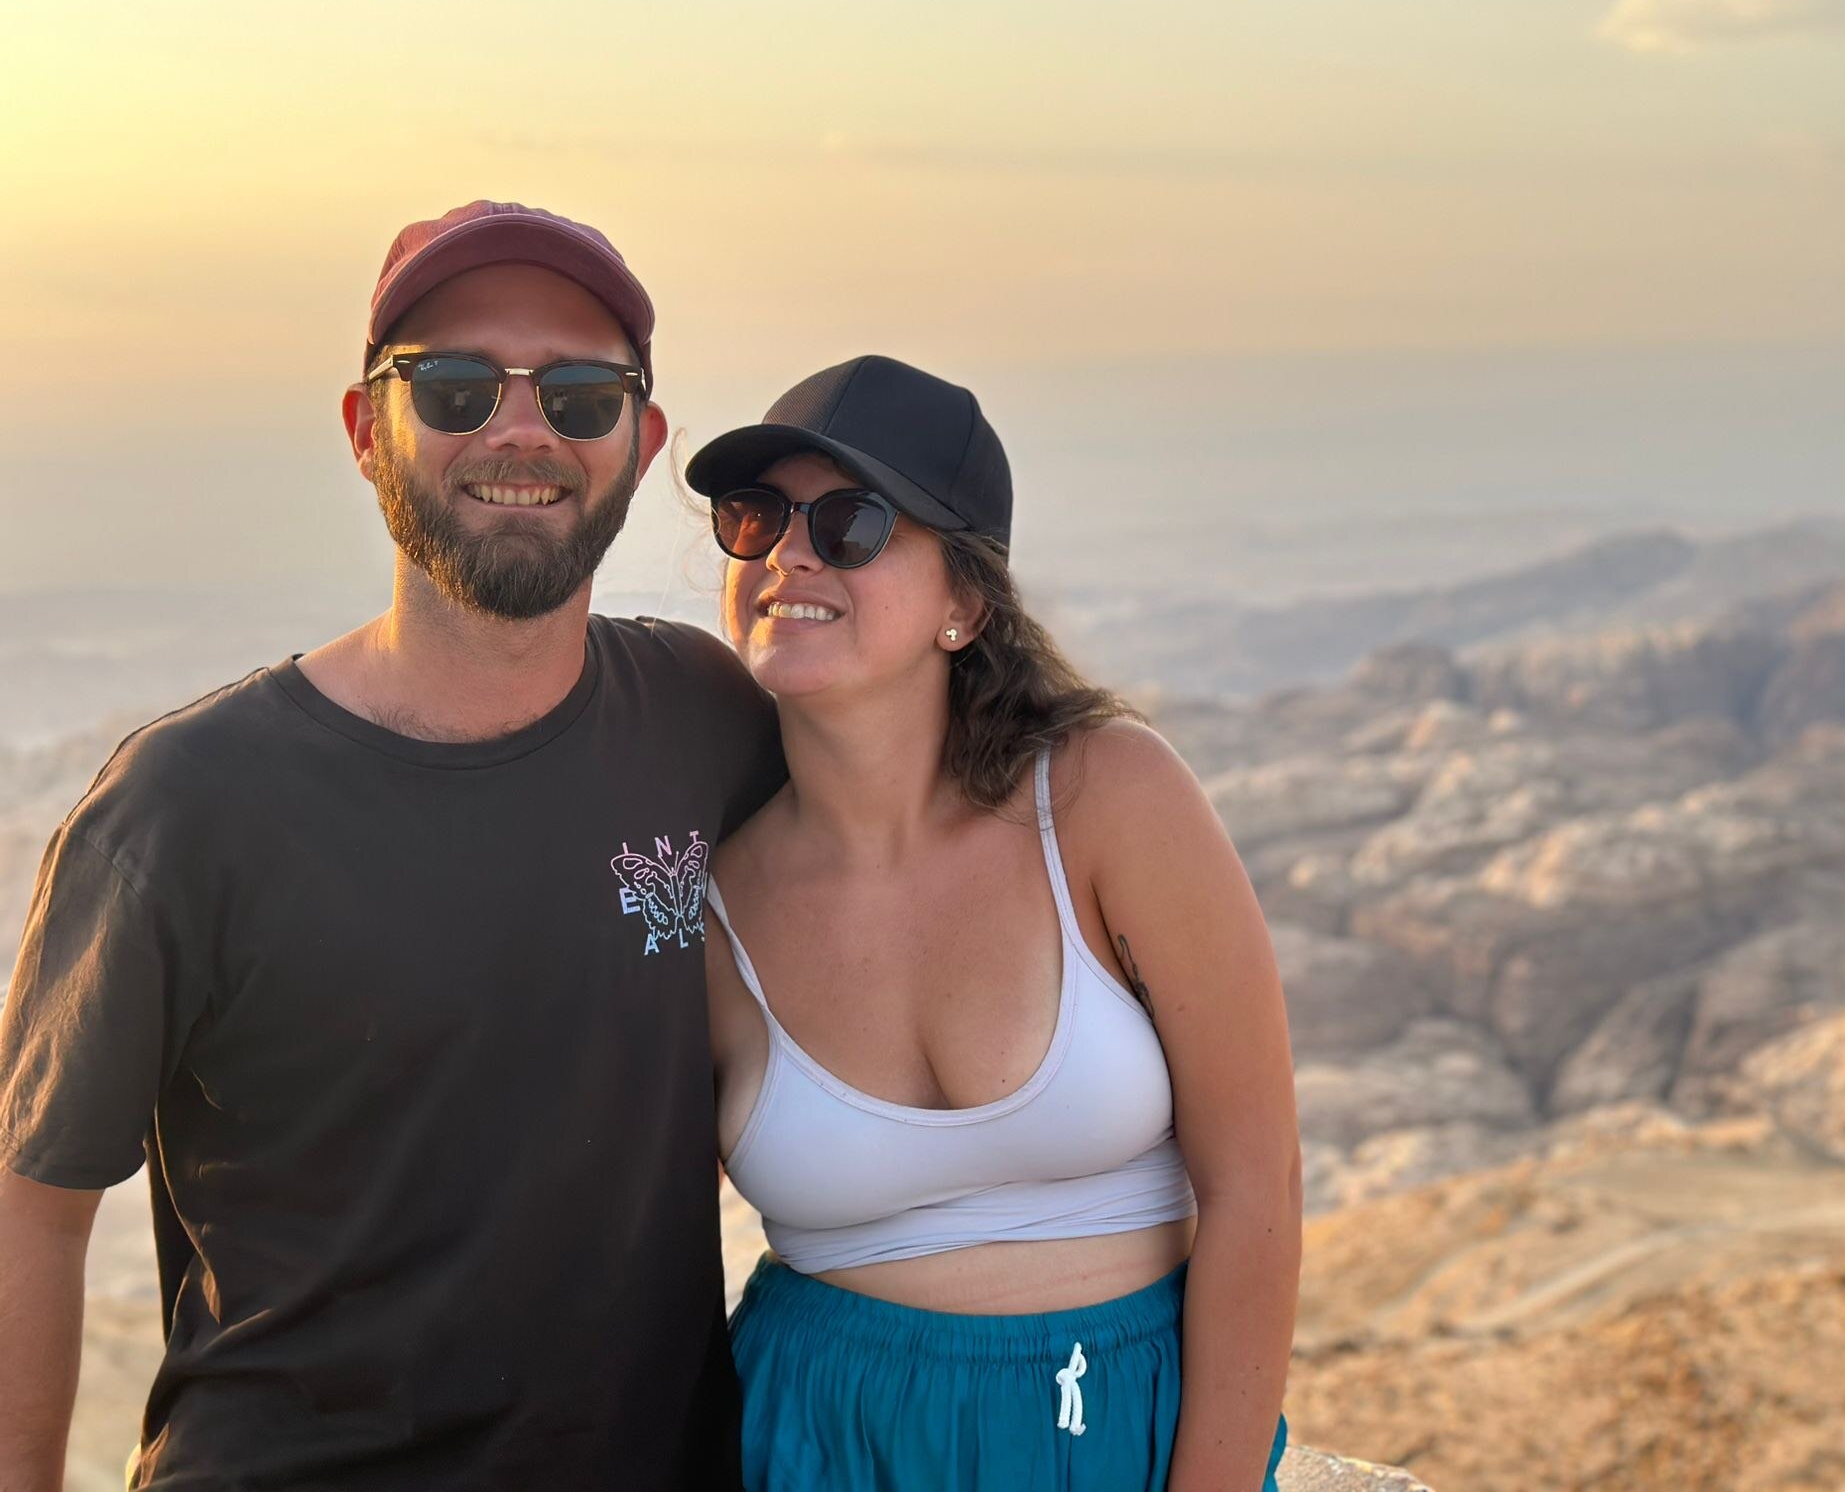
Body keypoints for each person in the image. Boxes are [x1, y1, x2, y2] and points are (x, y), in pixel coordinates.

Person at [0, 201, 782, 1489]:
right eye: (457, 387)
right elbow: (31, 1205)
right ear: (369, 432)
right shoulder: (186, 807)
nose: (522, 430)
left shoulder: (701, 719)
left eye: (581, 396)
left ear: (641, 447)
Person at [683, 356, 1302, 1491]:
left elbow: (1256, 1180)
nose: (790, 554)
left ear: (963, 605)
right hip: (817, 1441)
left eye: (852, 523)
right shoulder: (711, 901)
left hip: (1112, 1424)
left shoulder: (1106, 797)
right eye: (757, 515)